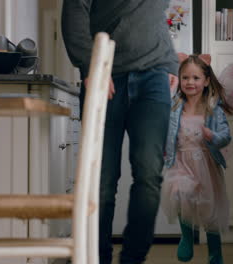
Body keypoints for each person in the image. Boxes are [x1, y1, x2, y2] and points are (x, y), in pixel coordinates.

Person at [61, 1, 179, 263]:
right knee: (101, 180)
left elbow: (153, 16)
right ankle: (97, 257)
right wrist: (90, 65)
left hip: (154, 76)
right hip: (105, 74)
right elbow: (74, 12)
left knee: (149, 174)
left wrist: (170, 62)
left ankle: (133, 259)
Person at [162, 53, 233, 264]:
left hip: (206, 164)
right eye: (185, 78)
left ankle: (215, 252)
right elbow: (164, 127)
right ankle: (186, 237)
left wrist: (213, 136)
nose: (190, 82)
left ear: (205, 81)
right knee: (179, 195)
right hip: (181, 161)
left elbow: (226, 135)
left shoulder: (213, 108)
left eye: (195, 78)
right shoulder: (174, 105)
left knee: (208, 208)